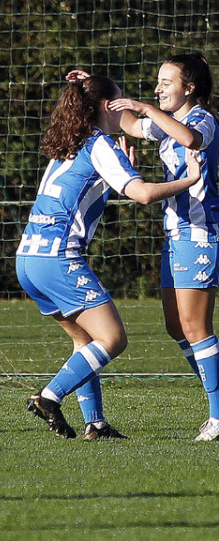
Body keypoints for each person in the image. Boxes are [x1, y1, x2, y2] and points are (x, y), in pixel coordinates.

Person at [19, 74, 203, 441]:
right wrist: (190, 179)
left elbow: (79, 190)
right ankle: (49, 396)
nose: (126, 111)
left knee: (86, 341)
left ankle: (96, 424)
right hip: (59, 259)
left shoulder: (69, 142)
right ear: (107, 107)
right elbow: (145, 194)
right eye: (121, 103)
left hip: (28, 259)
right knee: (113, 339)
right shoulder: (100, 143)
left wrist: (114, 171)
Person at [105, 53, 219, 441]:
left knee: (195, 326)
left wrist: (147, 107)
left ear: (189, 88)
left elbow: (190, 139)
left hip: (200, 234)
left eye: (165, 83)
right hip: (175, 234)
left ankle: (218, 414)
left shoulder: (201, 119)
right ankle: (216, 399)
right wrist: (97, 91)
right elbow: (135, 127)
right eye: (156, 83)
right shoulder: (165, 123)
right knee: (176, 327)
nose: (157, 88)